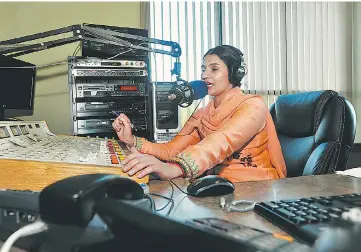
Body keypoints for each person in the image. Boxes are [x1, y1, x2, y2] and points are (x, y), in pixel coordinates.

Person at [112, 45, 287, 182]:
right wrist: (131, 140)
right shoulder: (204, 114)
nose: (204, 75)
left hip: (255, 185)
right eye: (203, 69)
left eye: (214, 69)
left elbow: (221, 141)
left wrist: (175, 169)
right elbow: (171, 150)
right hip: (217, 183)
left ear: (234, 73)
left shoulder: (252, 106)